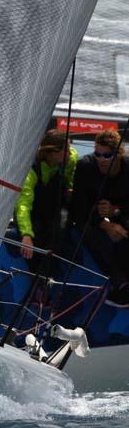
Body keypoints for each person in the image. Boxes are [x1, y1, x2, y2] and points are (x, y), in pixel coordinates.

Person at [70, 130, 129, 307]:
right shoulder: (85, 166)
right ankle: (121, 283)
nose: (101, 159)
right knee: (84, 228)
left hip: (120, 213)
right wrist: (105, 224)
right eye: (97, 154)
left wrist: (115, 213)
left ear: (119, 154)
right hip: (91, 215)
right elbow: (78, 208)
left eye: (107, 155)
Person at [15, 130, 77, 261]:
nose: (70, 153)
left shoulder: (70, 160)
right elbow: (23, 205)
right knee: (39, 232)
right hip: (33, 213)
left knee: (59, 229)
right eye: (66, 150)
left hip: (53, 211)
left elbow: (71, 178)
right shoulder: (31, 171)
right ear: (51, 153)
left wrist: (71, 188)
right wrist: (26, 234)